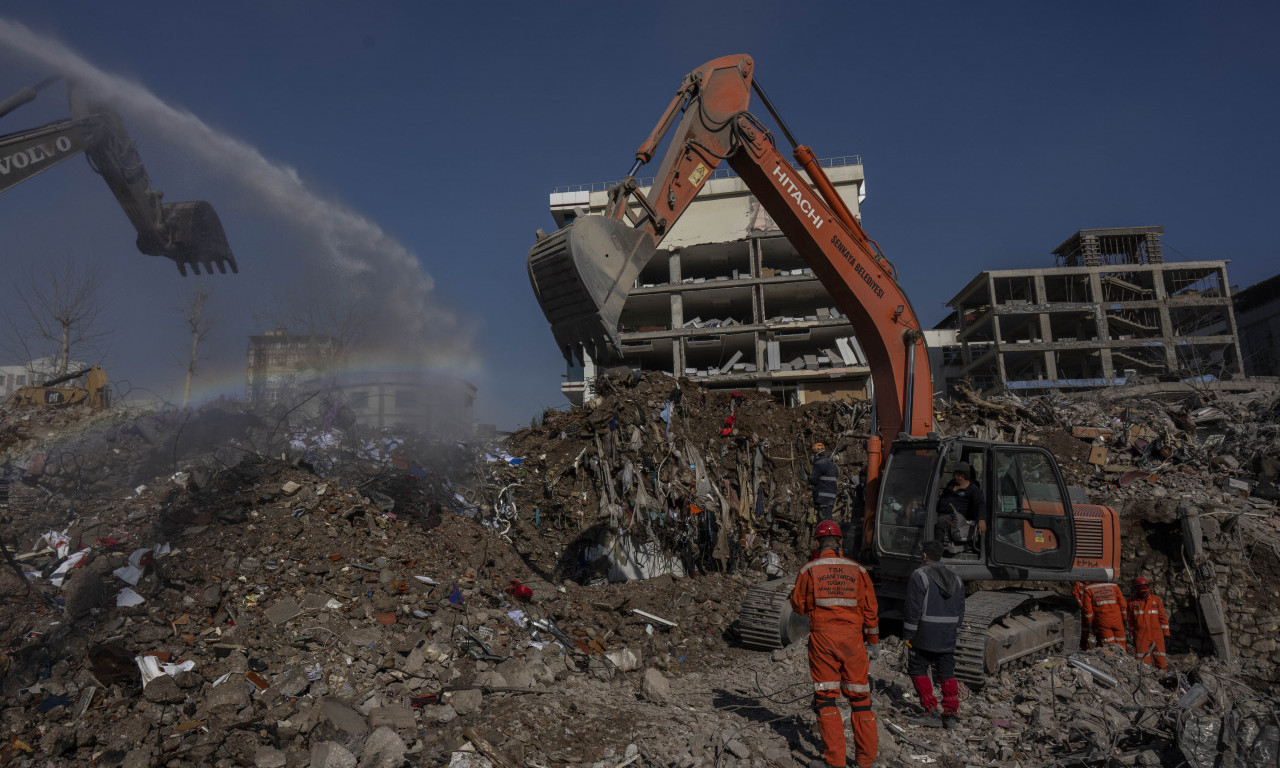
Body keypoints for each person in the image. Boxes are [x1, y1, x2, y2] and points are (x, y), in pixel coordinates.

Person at [790, 520, 880, 768]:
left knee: (826, 699)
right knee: (861, 699)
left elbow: (798, 605)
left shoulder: (809, 569)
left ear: (818, 544)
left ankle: (835, 763)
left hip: (823, 641)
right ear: (841, 542)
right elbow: (871, 610)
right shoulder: (859, 570)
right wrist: (873, 642)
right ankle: (865, 761)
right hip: (853, 642)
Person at [903, 540, 966, 730]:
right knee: (947, 672)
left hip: (924, 634)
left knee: (917, 669)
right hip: (947, 635)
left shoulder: (919, 575)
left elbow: (913, 608)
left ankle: (931, 711)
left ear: (924, 555)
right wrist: (955, 631)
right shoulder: (956, 579)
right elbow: (961, 610)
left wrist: (908, 635)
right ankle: (951, 714)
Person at [1126, 576, 1171, 671]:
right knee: (1142, 662)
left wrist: (1166, 634)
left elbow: (1163, 619)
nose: (1144, 594)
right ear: (1137, 590)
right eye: (1142, 591)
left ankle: (1164, 679)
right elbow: (1131, 622)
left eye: (1145, 591)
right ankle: (1144, 680)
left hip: (1156, 635)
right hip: (1141, 635)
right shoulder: (1131, 603)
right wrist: (1134, 636)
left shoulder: (1156, 600)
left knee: (1161, 659)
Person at [1081, 581, 1128, 650]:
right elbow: (1123, 605)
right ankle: (1123, 658)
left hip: (1103, 621)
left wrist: (1090, 623)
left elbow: (1088, 610)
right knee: (1121, 642)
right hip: (1117, 620)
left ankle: (1113, 658)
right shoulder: (1114, 586)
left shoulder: (1089, 589)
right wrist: (1124, 619)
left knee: (1109, 644)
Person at [810, 442, 839, 523]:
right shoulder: (833, 465)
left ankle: (827, 536)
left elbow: (813, 479)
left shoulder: (819, 464)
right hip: (831, 497)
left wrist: (808, 478)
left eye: (812, 454)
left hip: (823, 497)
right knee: (828, 518)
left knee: (824, 522)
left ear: (816, 454)